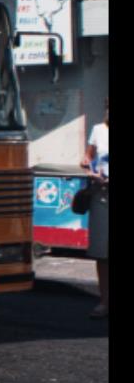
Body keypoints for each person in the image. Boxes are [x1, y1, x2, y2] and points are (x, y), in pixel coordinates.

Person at [81, 98, 109, 318]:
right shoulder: (98, 130)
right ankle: (104, 301)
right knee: (102, 253)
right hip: (101, 197)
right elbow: (87, 158)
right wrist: (89, 169)